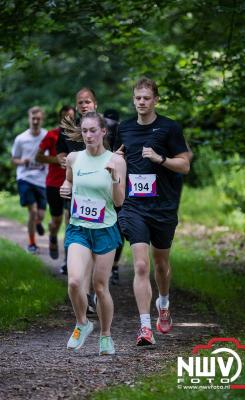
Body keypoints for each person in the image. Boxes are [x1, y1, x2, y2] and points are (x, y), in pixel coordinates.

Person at [115, 77, 190, 346]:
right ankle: (145, 327)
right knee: (141, 264)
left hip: (163, 207)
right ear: (133, 99)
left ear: (156, 99)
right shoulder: (124, 129)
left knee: (160, 265)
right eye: (137, 98)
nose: (142, 102)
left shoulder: (169, 128)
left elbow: (184, 166)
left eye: (147, 98)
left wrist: (161, 159)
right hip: (134, 206)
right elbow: (116, 158)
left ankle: (164, 302)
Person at [60, 111, 126, 355]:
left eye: (93, 131)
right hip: (79, 228)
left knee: (100, 287)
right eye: (85, 131)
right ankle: (82, 323)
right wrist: (66, 187)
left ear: (103, 132)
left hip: (105, 230)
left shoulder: (116, 161)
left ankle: (106, 335)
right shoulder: (74, 158)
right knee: (75, 281)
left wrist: (115, 177)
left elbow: (119, 202)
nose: (88, 135)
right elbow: (69, 180)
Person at [56, 87, 98, 315]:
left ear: (95, 104)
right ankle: (77, 281)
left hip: (98, 194)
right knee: (76, 236)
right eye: (80, 102)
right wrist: (65, 163)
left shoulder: (104, 128)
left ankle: (89, 291)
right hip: (74, 192)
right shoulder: (67, 129)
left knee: (92, 242)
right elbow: (61, 154)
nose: (84, 105)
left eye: (88, 101)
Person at [35, 105, 75, 259]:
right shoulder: (52, 135)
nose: (68, 119)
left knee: (69, 220)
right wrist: (57, 160)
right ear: (60, 118)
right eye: (65, 116)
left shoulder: (79, 135)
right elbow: (38, 157)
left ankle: (68, 258)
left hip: (72, 183)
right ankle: (52, 236)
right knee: (57, 220)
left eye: (71, 116)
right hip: (53, 183)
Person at [12, 106, 48, 254]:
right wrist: (23, 161)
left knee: (40, 215)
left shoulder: (47, 136)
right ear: (29, 118)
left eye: (38, 118)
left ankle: (38, 222)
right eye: (33, 118)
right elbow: (14, 160)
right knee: (32, 212)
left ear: (42, 119)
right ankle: (32, 244)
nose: (35, 121)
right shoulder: (21, 138)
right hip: (25, 178)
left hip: (42, 180)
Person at [104, 109, 125, 285]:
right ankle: (108, 267)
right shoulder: (97, 134)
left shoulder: (124, 135)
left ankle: (115, 266)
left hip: (118, 184)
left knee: (118, 228)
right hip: (100, 189)